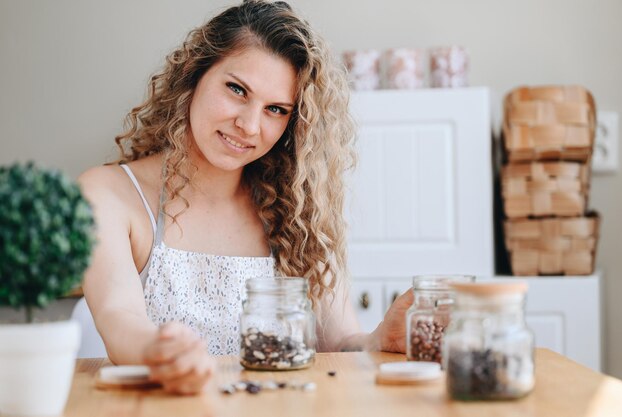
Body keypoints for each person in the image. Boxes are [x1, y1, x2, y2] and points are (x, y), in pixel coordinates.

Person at [79, 0, 413, 395]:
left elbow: (339, 343)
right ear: (193, 74)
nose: (249, 125)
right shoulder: (109, 194)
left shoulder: (298, 211)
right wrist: (159, 351)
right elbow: (120, 317)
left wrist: (377, 341)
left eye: (275, 109)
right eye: (237, 90)